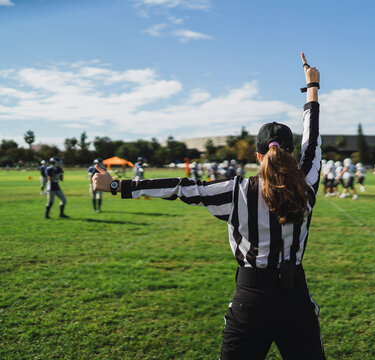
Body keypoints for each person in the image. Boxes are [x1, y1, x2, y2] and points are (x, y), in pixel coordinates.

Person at [92, 52, 325, 359]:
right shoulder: (306, 182)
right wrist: (312, 87)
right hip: (294, 296)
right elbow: (313, 136)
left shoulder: (237, 191)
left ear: (257, 156)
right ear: (291, 154)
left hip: (251, 298)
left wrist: (117, 186)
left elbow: (180, 186)